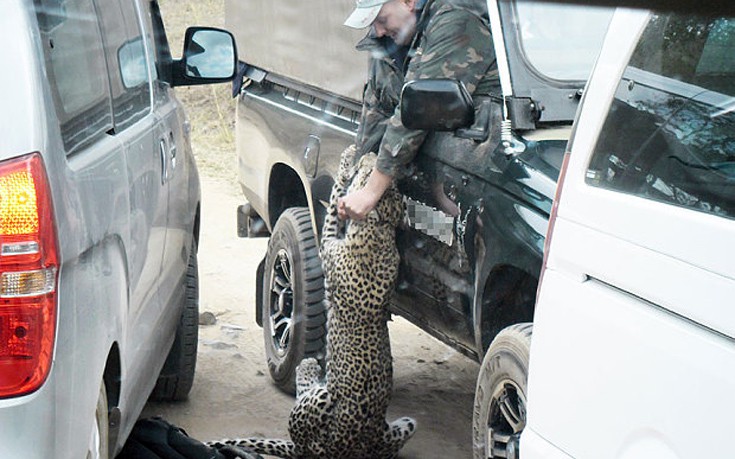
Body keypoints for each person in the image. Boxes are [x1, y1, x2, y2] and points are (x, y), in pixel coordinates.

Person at [339, 0, 499, 220]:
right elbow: (375, 115)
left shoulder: (456, 20)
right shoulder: (390, 44)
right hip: (422, 188)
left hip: (476, 176)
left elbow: (421, 107)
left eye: (382, 20)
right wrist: (356, 178)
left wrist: (370, 192)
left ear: (408, 2)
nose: (378, 31)